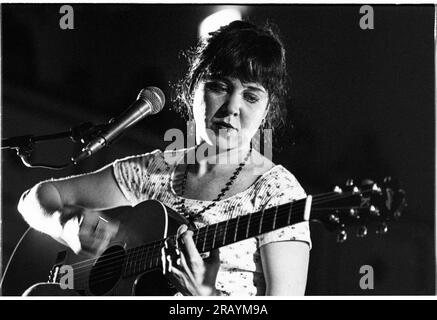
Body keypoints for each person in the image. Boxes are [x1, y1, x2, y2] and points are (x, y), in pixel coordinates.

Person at [17, 20, 311, 296]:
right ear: (194, 87)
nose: (232, 107)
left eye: (250, 96)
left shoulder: (278, 194)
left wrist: (205, 299)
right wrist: (66, 225)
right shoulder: (156, 170)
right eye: (220, 87)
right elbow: (35, 197)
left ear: (266, 109)